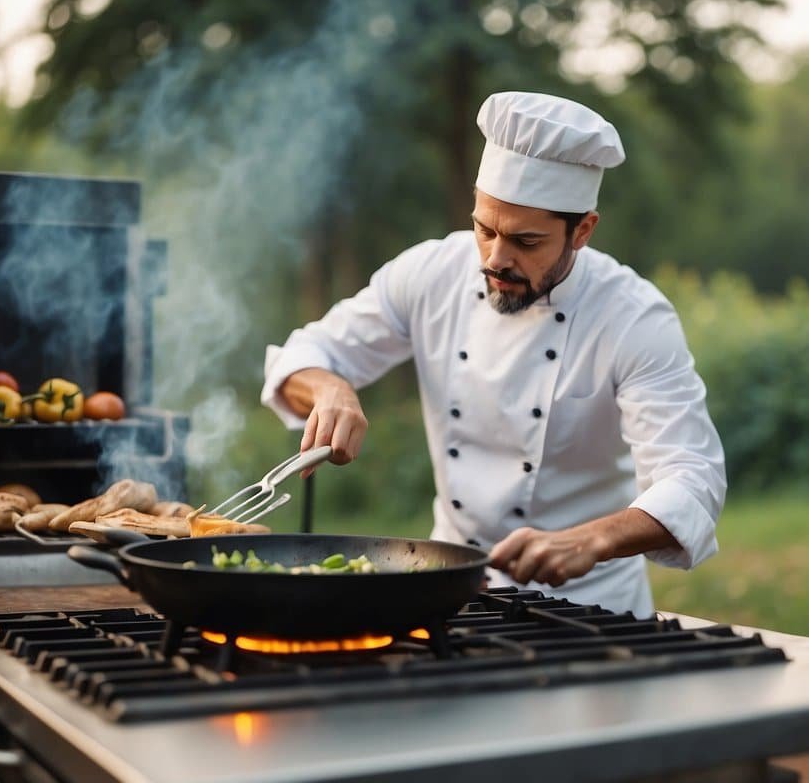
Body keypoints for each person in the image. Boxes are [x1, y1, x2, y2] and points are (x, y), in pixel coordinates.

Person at [260, 91, 725, 616]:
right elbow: (302, 354)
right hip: (453, 594)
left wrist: (591, 540)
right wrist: (331, 389)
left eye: (526, 242)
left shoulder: (634, 317)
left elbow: (692, 478)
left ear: (583, 231)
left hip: (592, 609)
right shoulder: (430, 272)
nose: (495, 258)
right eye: (485, 229)